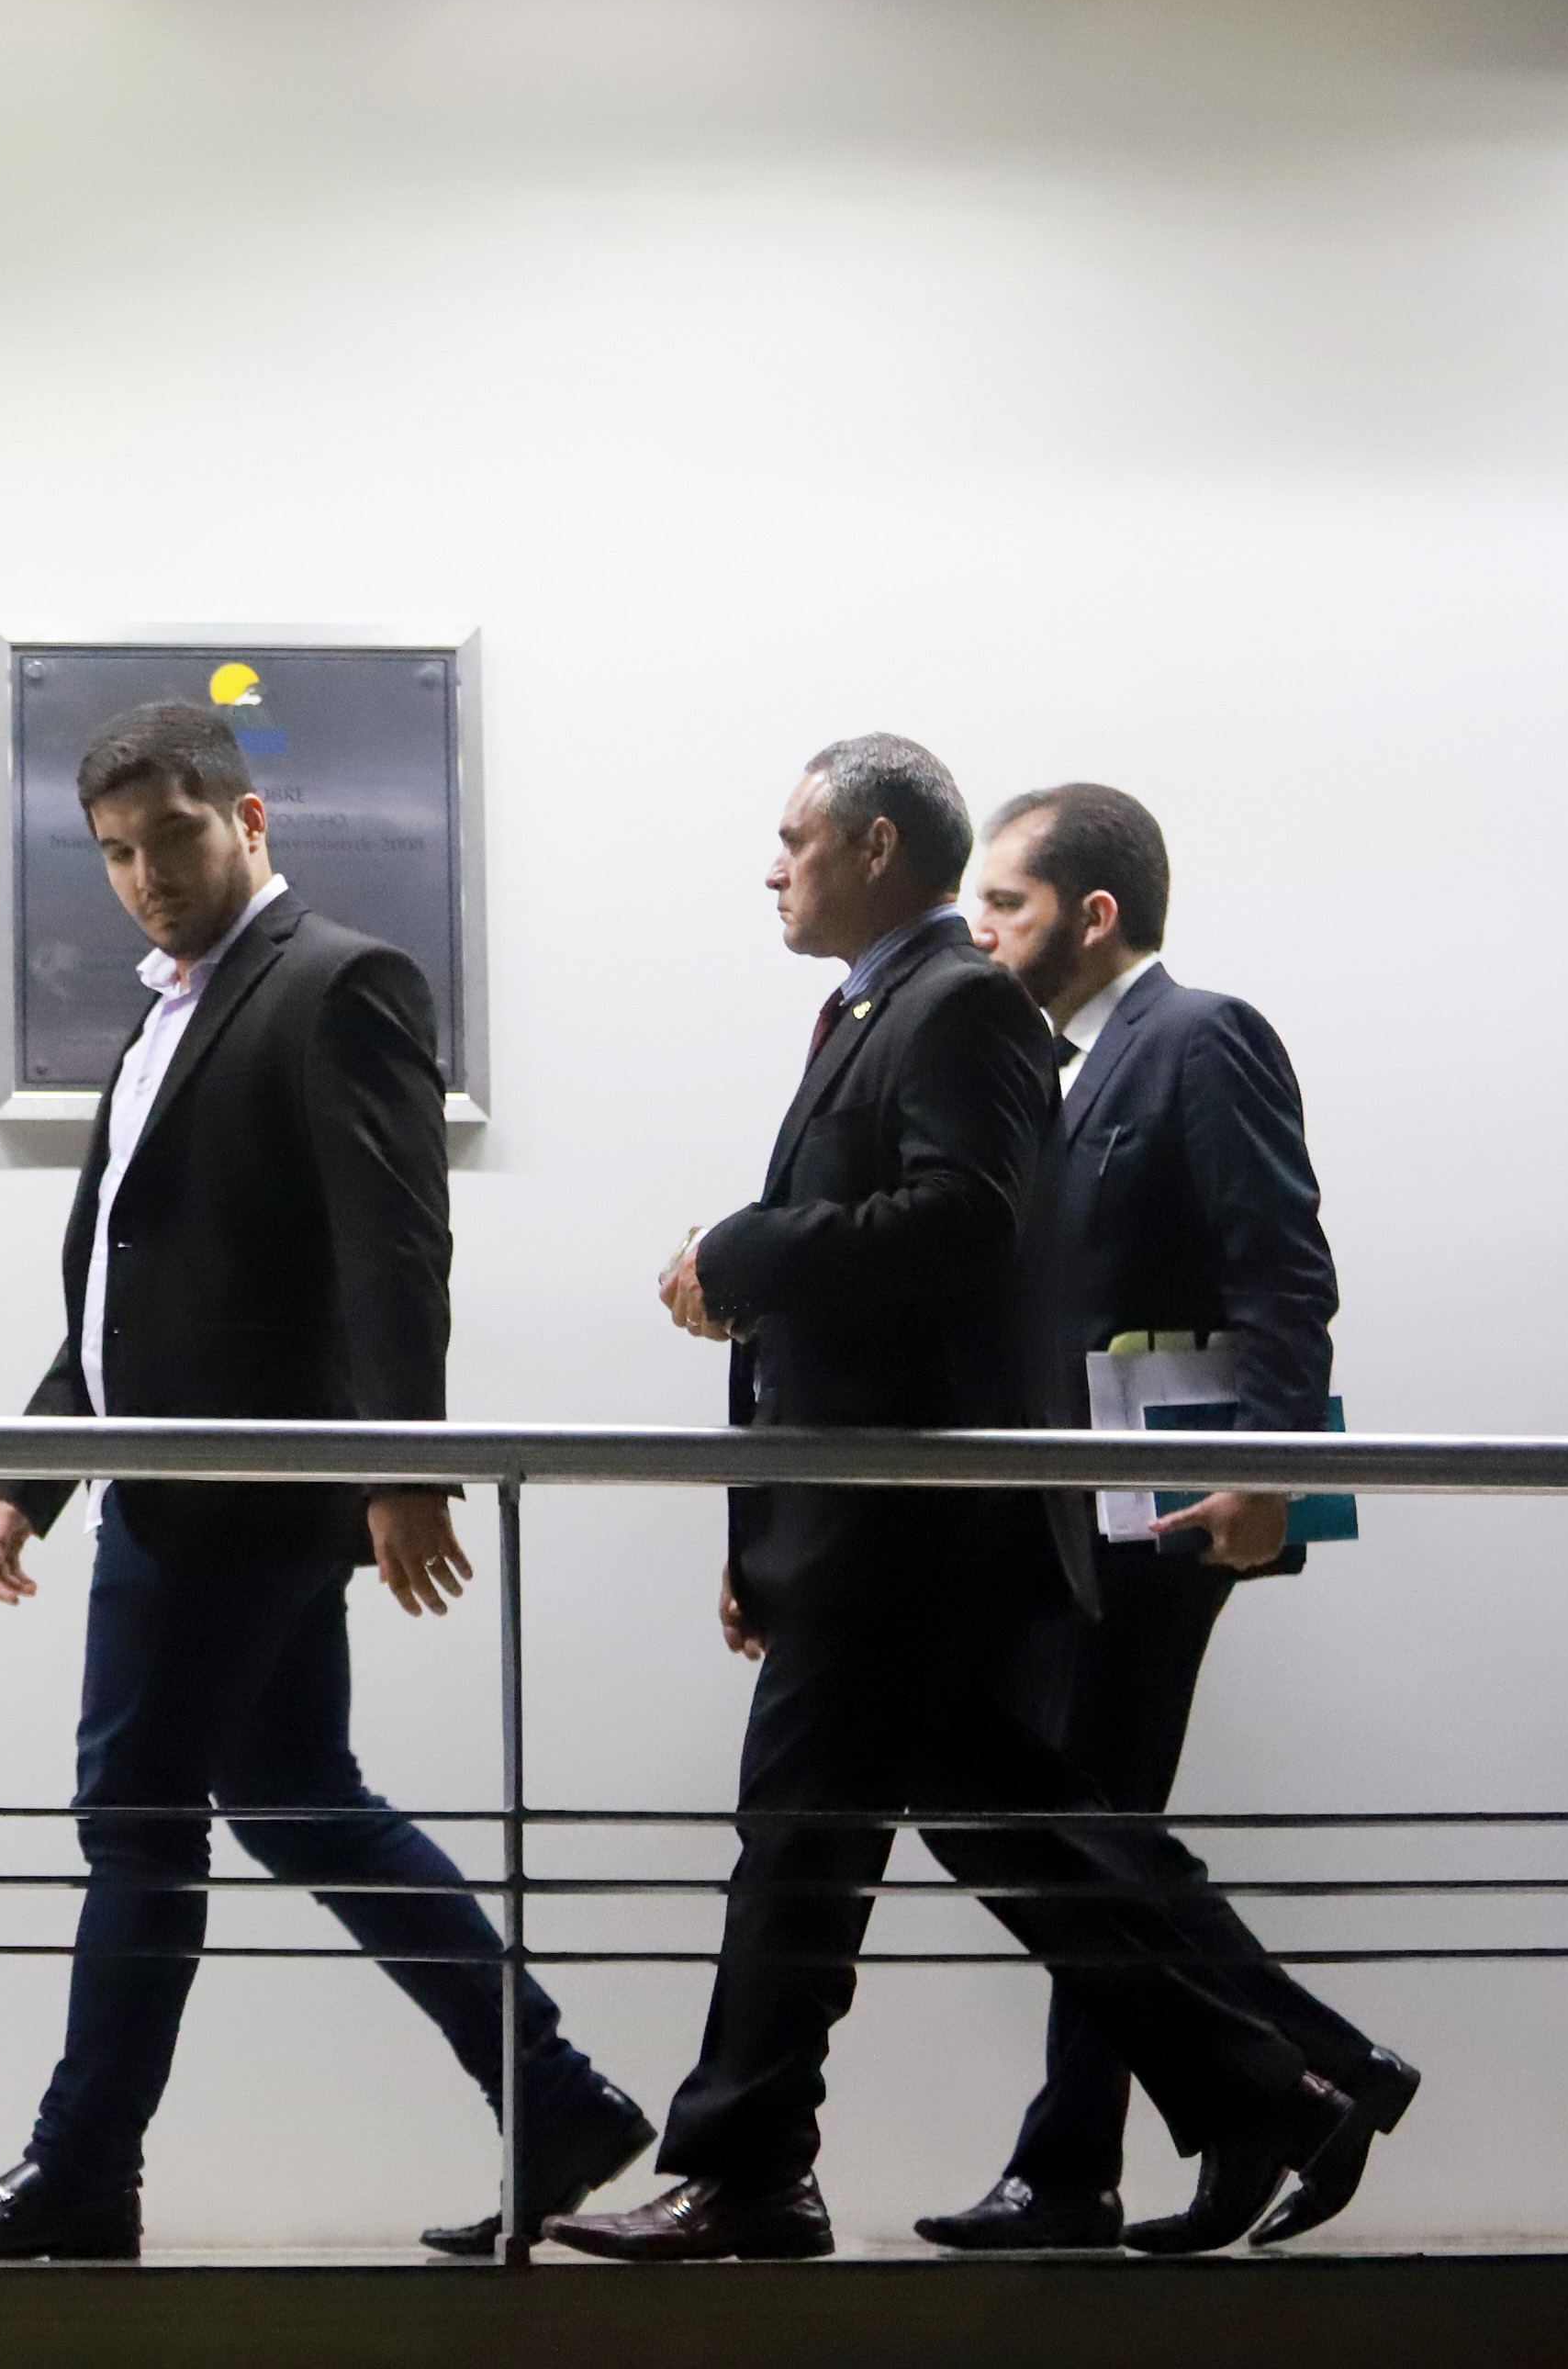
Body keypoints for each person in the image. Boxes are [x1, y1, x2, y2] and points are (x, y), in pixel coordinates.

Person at [550, 735, 1383, 2264]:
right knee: (1013, 1829)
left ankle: (751, 2171)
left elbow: (966, 1223)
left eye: (796, 839)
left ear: (875, 847)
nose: (772, 869)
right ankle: (1278, 2087)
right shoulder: (899, 1006)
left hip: (916, 1523)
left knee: (814, 1839)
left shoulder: (963, 1006)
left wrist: (743, 1251)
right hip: (865, 1518)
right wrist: (759, 1522)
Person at [0, 701, 650, 2264]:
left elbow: (394, 1248)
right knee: (303, 1804)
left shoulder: (336, 982)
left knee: (136, 1817)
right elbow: (133, 1284)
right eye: (115, 853)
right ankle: (555, 2096)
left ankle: (80, 2174)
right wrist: (39, 1466)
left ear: (249, 819)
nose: (146, 876)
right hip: (166, 1478)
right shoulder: (173, 1009)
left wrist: (403, 1469)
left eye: (172, 838)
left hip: (235, 1495)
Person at [909, 782, 1415, 2253]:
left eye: (1003, 904)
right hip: (1077, 1505)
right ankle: (1280, 2085)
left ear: (1094, 911)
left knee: (1082, 1829)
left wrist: (1267, 1473)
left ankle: (1212, 2111)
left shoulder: (1198, 1035)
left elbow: (1282, 1266)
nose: (981, 931)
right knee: (1096, 1832)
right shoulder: (1053, 1065)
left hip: (1177, 1499)